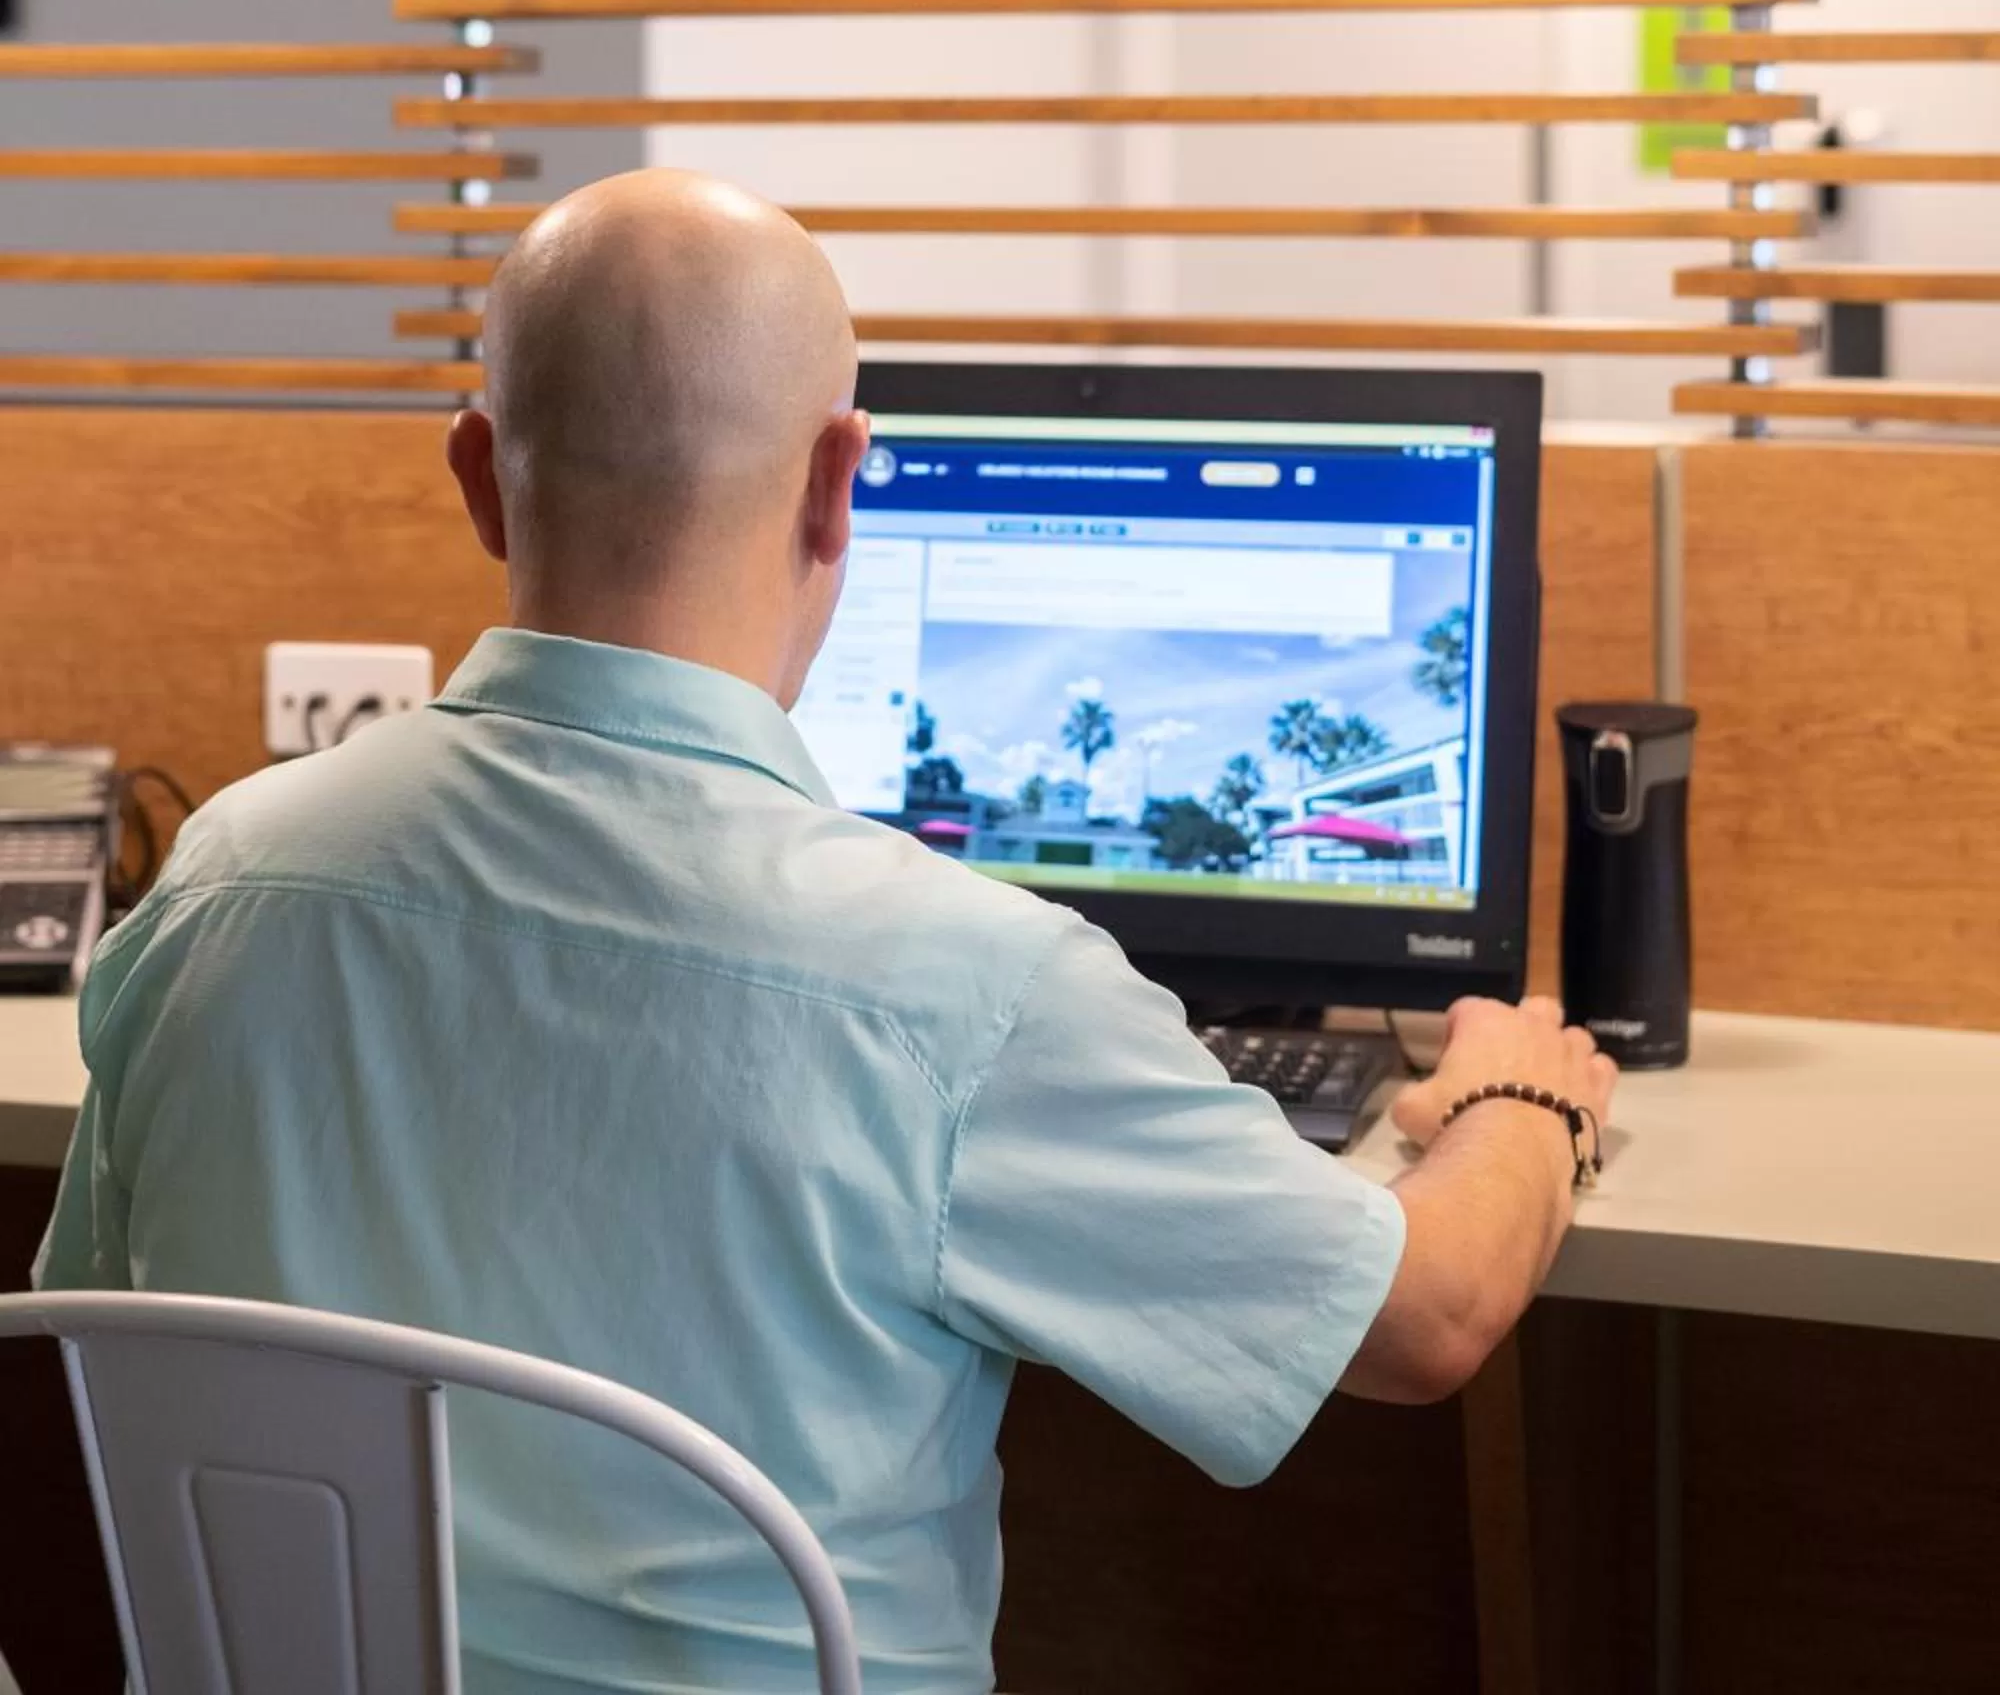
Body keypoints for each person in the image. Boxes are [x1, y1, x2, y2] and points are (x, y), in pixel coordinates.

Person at [39, 168, 1615, 1695]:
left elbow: (100, 1347)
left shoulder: (217, 884)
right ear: (837, 478)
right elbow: (1431, 1317)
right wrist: (1519, 1097)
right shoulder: (967, 988)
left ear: (473, 474)